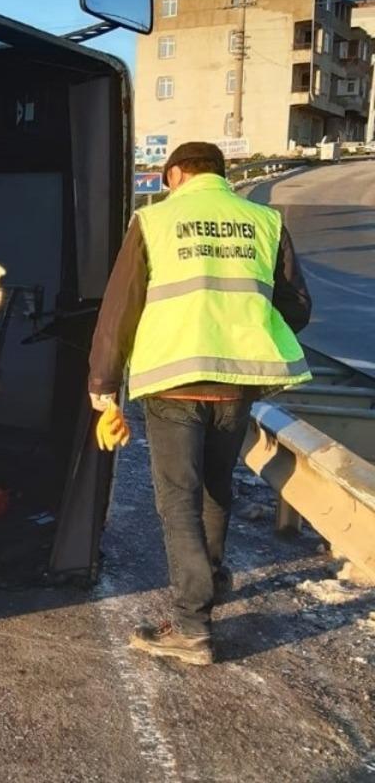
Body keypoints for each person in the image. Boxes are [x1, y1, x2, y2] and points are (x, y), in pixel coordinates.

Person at [88, 142, 312, 665]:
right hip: (236, 384)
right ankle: (209, 583)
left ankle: (191, 625)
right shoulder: (263, 221)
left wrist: (104, 388)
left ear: (174, 175)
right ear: (221, 174)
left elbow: (119, 309)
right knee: (215, 489)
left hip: (173, 382)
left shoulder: (155, 221)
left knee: (178, 501)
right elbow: (297, 307)